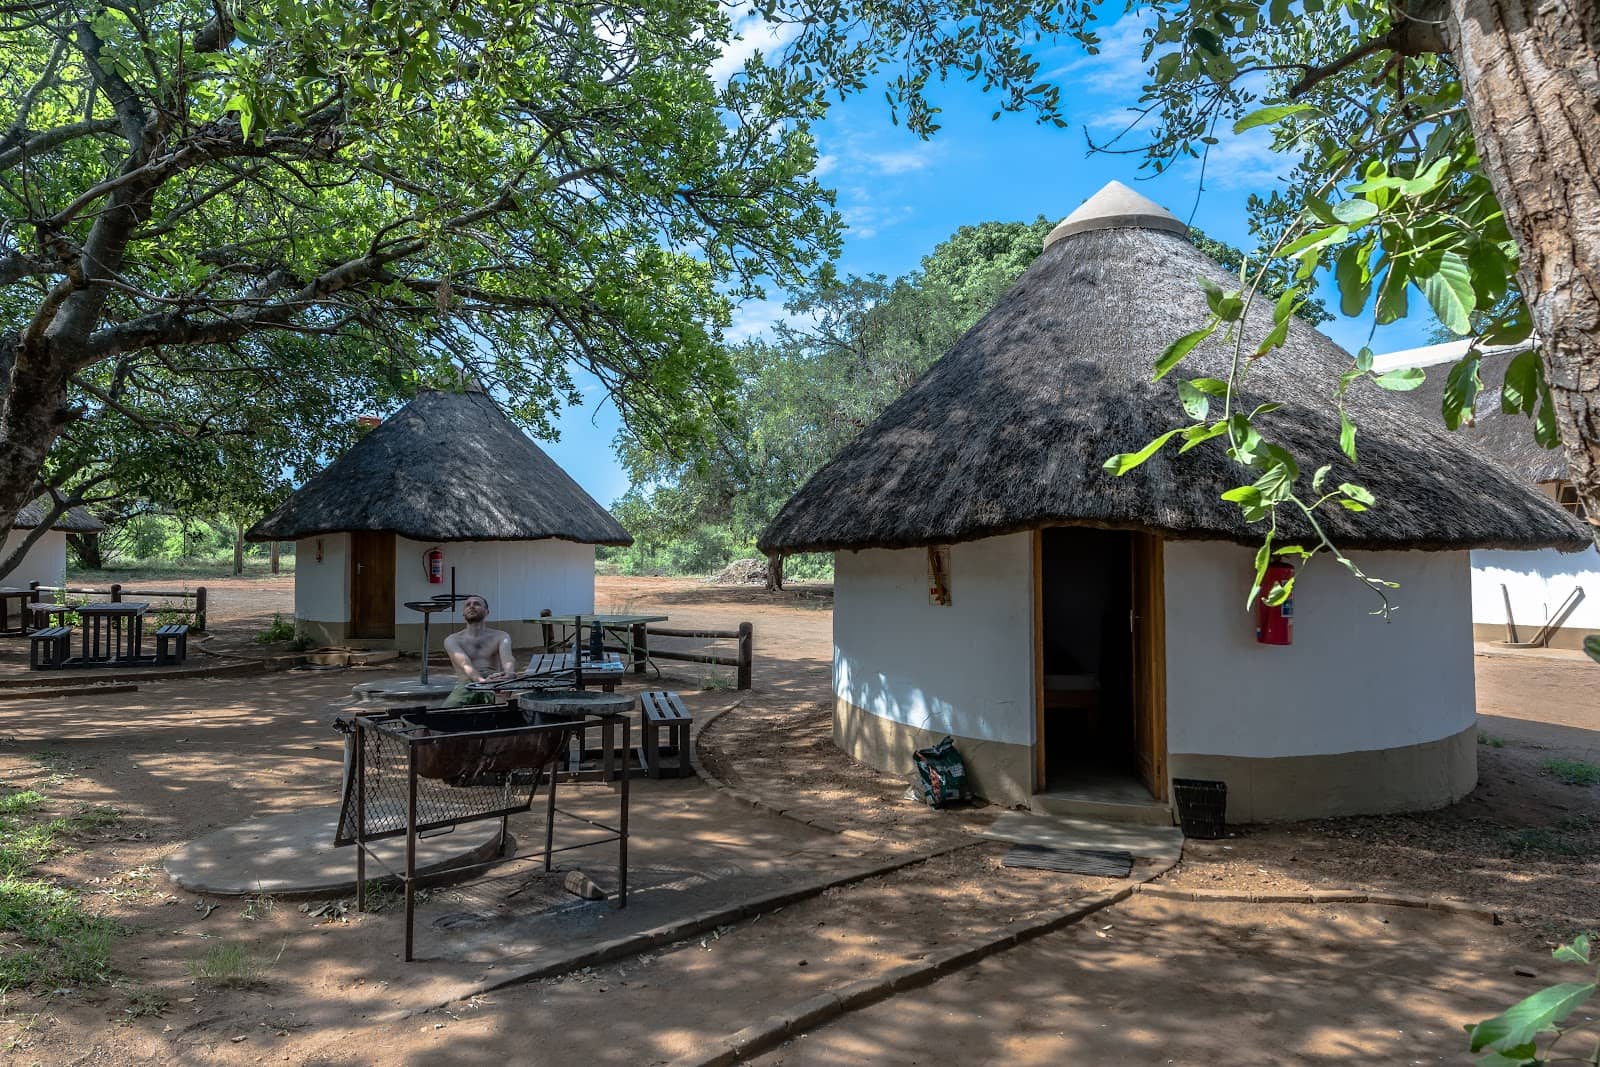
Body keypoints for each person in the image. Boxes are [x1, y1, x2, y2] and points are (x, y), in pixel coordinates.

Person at [441, 595, 516, 707]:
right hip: (467, 684)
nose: (471, 606)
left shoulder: (501, 636)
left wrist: (509, 674)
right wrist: (482, 682)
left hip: (494, 681)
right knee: (446, 712)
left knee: (502, 710)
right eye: (468, 605)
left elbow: (508, 659)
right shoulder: (452, 640)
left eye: (476, 604)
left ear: (487, 611)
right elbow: (465, 664)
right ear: (463, 613)